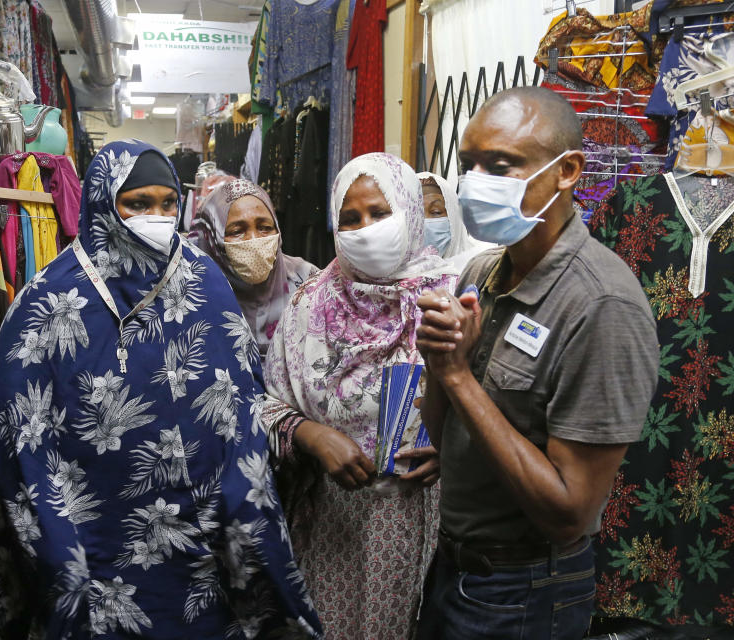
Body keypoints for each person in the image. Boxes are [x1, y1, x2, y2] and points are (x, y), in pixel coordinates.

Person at [0, 139, 323, 639]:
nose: (157, 217)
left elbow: (240, 411)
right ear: (101, 202)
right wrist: (61, 557)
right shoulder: (47, 302)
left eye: (167, 204)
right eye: (138, 204)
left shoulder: (204, 282)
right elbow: (16, 441)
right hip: (93, 557)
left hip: (206, 557)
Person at [414, 87, 659, 639]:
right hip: (454, 567)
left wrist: (458, 376)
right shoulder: (481, 272)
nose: (475, 184)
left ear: (567, 170)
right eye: (469, 165)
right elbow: (448, 437)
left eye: (500, 166)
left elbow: (568, 514)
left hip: (524, 591)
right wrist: (439, 361)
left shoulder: (602, 305)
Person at [263, 152, 459, 639]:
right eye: (350, 219)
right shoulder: (310, 305)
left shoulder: (457, 298)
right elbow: (261, 405)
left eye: (379, 212)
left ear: (409, 212)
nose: (365, 229)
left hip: (431, 522)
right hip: (333, 525)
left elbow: (500, 410)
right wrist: (310, 435)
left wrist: (457, 451)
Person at [189, 177, 318, 360]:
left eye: (265, 228)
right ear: (212, 239)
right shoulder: (191, 295)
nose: (253, 239)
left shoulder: (307, 281)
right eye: (236, 231)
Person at [417, 171, 493, 271]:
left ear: (454, 217)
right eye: (417, 214)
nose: (425, 222)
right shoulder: (394, 270)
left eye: (436, 212)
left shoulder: (480, 266)